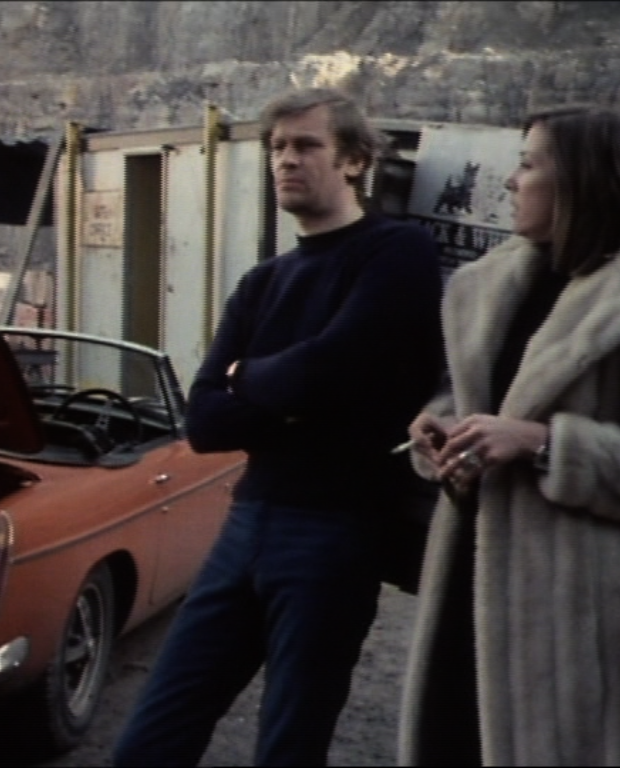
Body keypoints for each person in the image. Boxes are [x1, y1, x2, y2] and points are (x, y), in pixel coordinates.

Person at [113, 87, 444, 767]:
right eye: (277, 148)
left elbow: (327, 371)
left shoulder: (395, 252)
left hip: (336, 532)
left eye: (306, 145)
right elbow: (203, 420)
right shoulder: (263, 283)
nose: (286, 161)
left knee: (290, 743)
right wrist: (292, 395)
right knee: (152, 738)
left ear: (354, 160)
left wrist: (248, 377)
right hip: (247, 519)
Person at [397, 105, 620, 767]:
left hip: (574, 626)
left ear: (576, 181)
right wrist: (441, 436)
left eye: (527, 164)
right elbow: (468, 403)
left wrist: (545, 443)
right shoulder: (489, 286)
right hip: (470, 590)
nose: (510, 182)